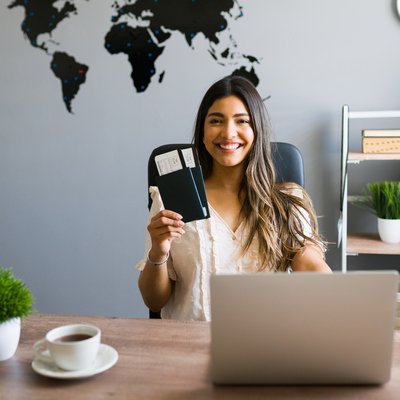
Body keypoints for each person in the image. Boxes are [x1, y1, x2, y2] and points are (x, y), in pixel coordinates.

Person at [136, 75, 331, 321]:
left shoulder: (287, 201)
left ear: (257, 130)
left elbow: (310, 264)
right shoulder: (170, 201)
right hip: (187, 346)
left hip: (266, 345)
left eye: (242, 121)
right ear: (203, 132)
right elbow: (154, 301)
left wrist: (339, 298)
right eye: (216, 120)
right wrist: (158, 251)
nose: (229, 133)